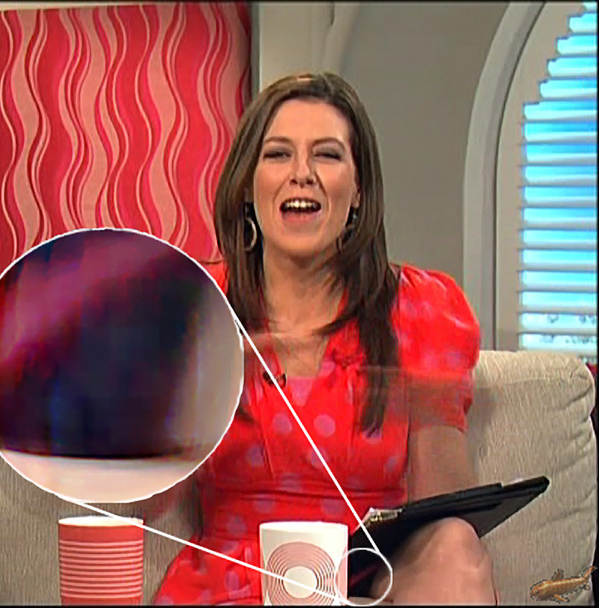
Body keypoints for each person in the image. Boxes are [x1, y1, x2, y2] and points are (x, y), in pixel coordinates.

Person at [153, 72, 498, 605]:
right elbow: (145, 502)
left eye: (327, 155)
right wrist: (188, 382)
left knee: (454, 545)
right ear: (247, 186)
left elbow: (445, 514)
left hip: (372, 580)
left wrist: (430, 398)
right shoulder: (198, 307)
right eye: (278, 154)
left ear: (358, 191)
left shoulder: (419, 311)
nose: (302, 174)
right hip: (237, 582)